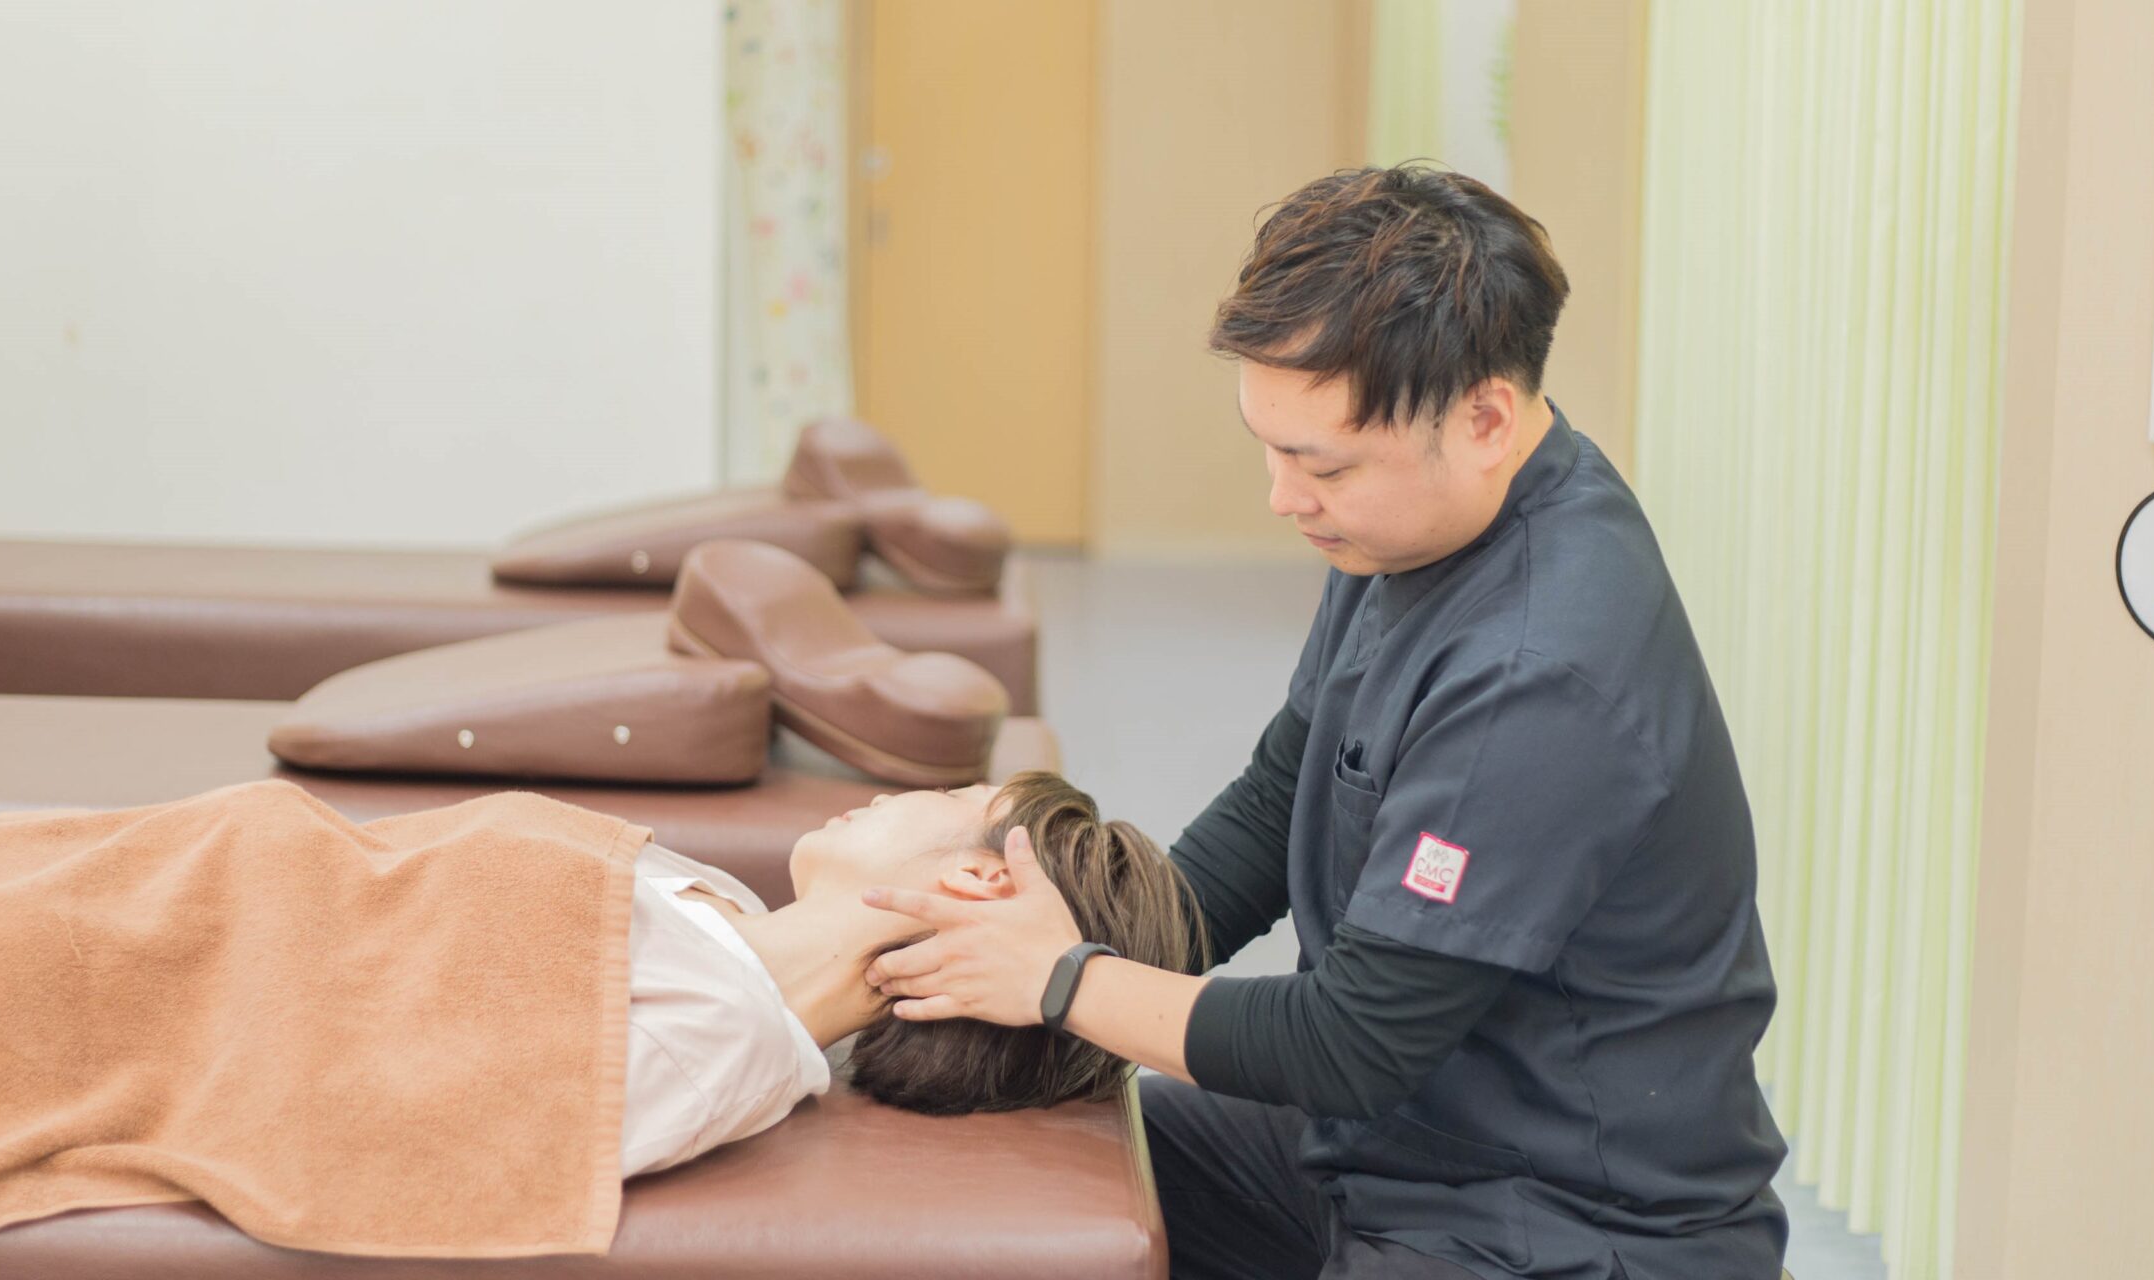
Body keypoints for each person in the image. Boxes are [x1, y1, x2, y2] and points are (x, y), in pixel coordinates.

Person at [861, 164, 1790, 1279]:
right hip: (1388, 1148)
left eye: (1322, 462)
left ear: (1486, 417)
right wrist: (1064, 930)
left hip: (1554, 1222)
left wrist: (1065, 978)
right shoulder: (1404, 528)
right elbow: (1276, 793)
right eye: (1270, 447)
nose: (1283, 496)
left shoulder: (1542, 671)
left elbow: (1353, 1040)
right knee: (1036, 1177)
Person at [628, 768, 1204, 1173]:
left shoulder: (714, 1034)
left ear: (981, 875)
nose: (890, 796)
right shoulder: (720, 896)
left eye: (953, 793)